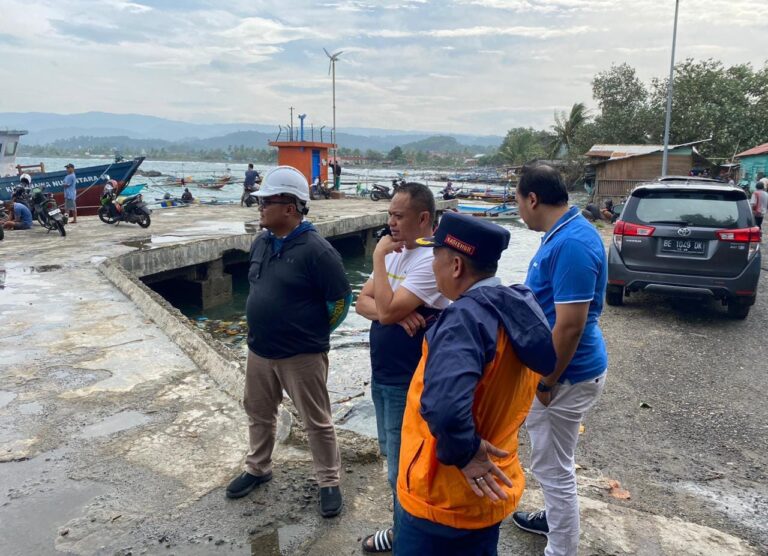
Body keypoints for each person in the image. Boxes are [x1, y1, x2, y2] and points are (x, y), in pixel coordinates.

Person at [393, 212, 557, 555]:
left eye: (435, 257)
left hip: (443, 494)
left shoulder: (464, 321)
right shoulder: (518, 309)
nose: (431, 266)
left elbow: (445, 407)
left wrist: (466, 453)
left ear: (455, 266)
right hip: (489, 488)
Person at [226, 166, 351, 519]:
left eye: (266, 201)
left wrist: (310, 333)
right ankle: (258, 467)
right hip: (259, 350)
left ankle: (328, 480)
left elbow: (340, 302)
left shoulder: (317, 251)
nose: (260, 206)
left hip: (302, 354)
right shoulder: (261, 242)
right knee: (258, 412)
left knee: (316, 421)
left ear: (290, 207)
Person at [512, 165, 608, 556]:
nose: (518, 210)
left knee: (553, 468)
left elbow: (569, 326)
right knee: (551, 460)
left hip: (565, 376)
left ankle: (561, 547)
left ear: (532, 199)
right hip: (563, 372)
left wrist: (547, 381)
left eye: (518, 201)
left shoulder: (572, 244)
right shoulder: (564, 233)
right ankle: (555, 519)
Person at [355, 182, 450, 553]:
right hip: (382, 374)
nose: (391, 222)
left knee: (402, 467)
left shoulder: (429, 259)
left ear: (423, 218)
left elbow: (386, 310)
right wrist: (393, 313)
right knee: (391, 456)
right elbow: (362, 301)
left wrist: (378, 260)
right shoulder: (398, 252)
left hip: (407, 380)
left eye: (398, 216)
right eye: (389, 215)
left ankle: (405, 538)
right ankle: (406, 530)